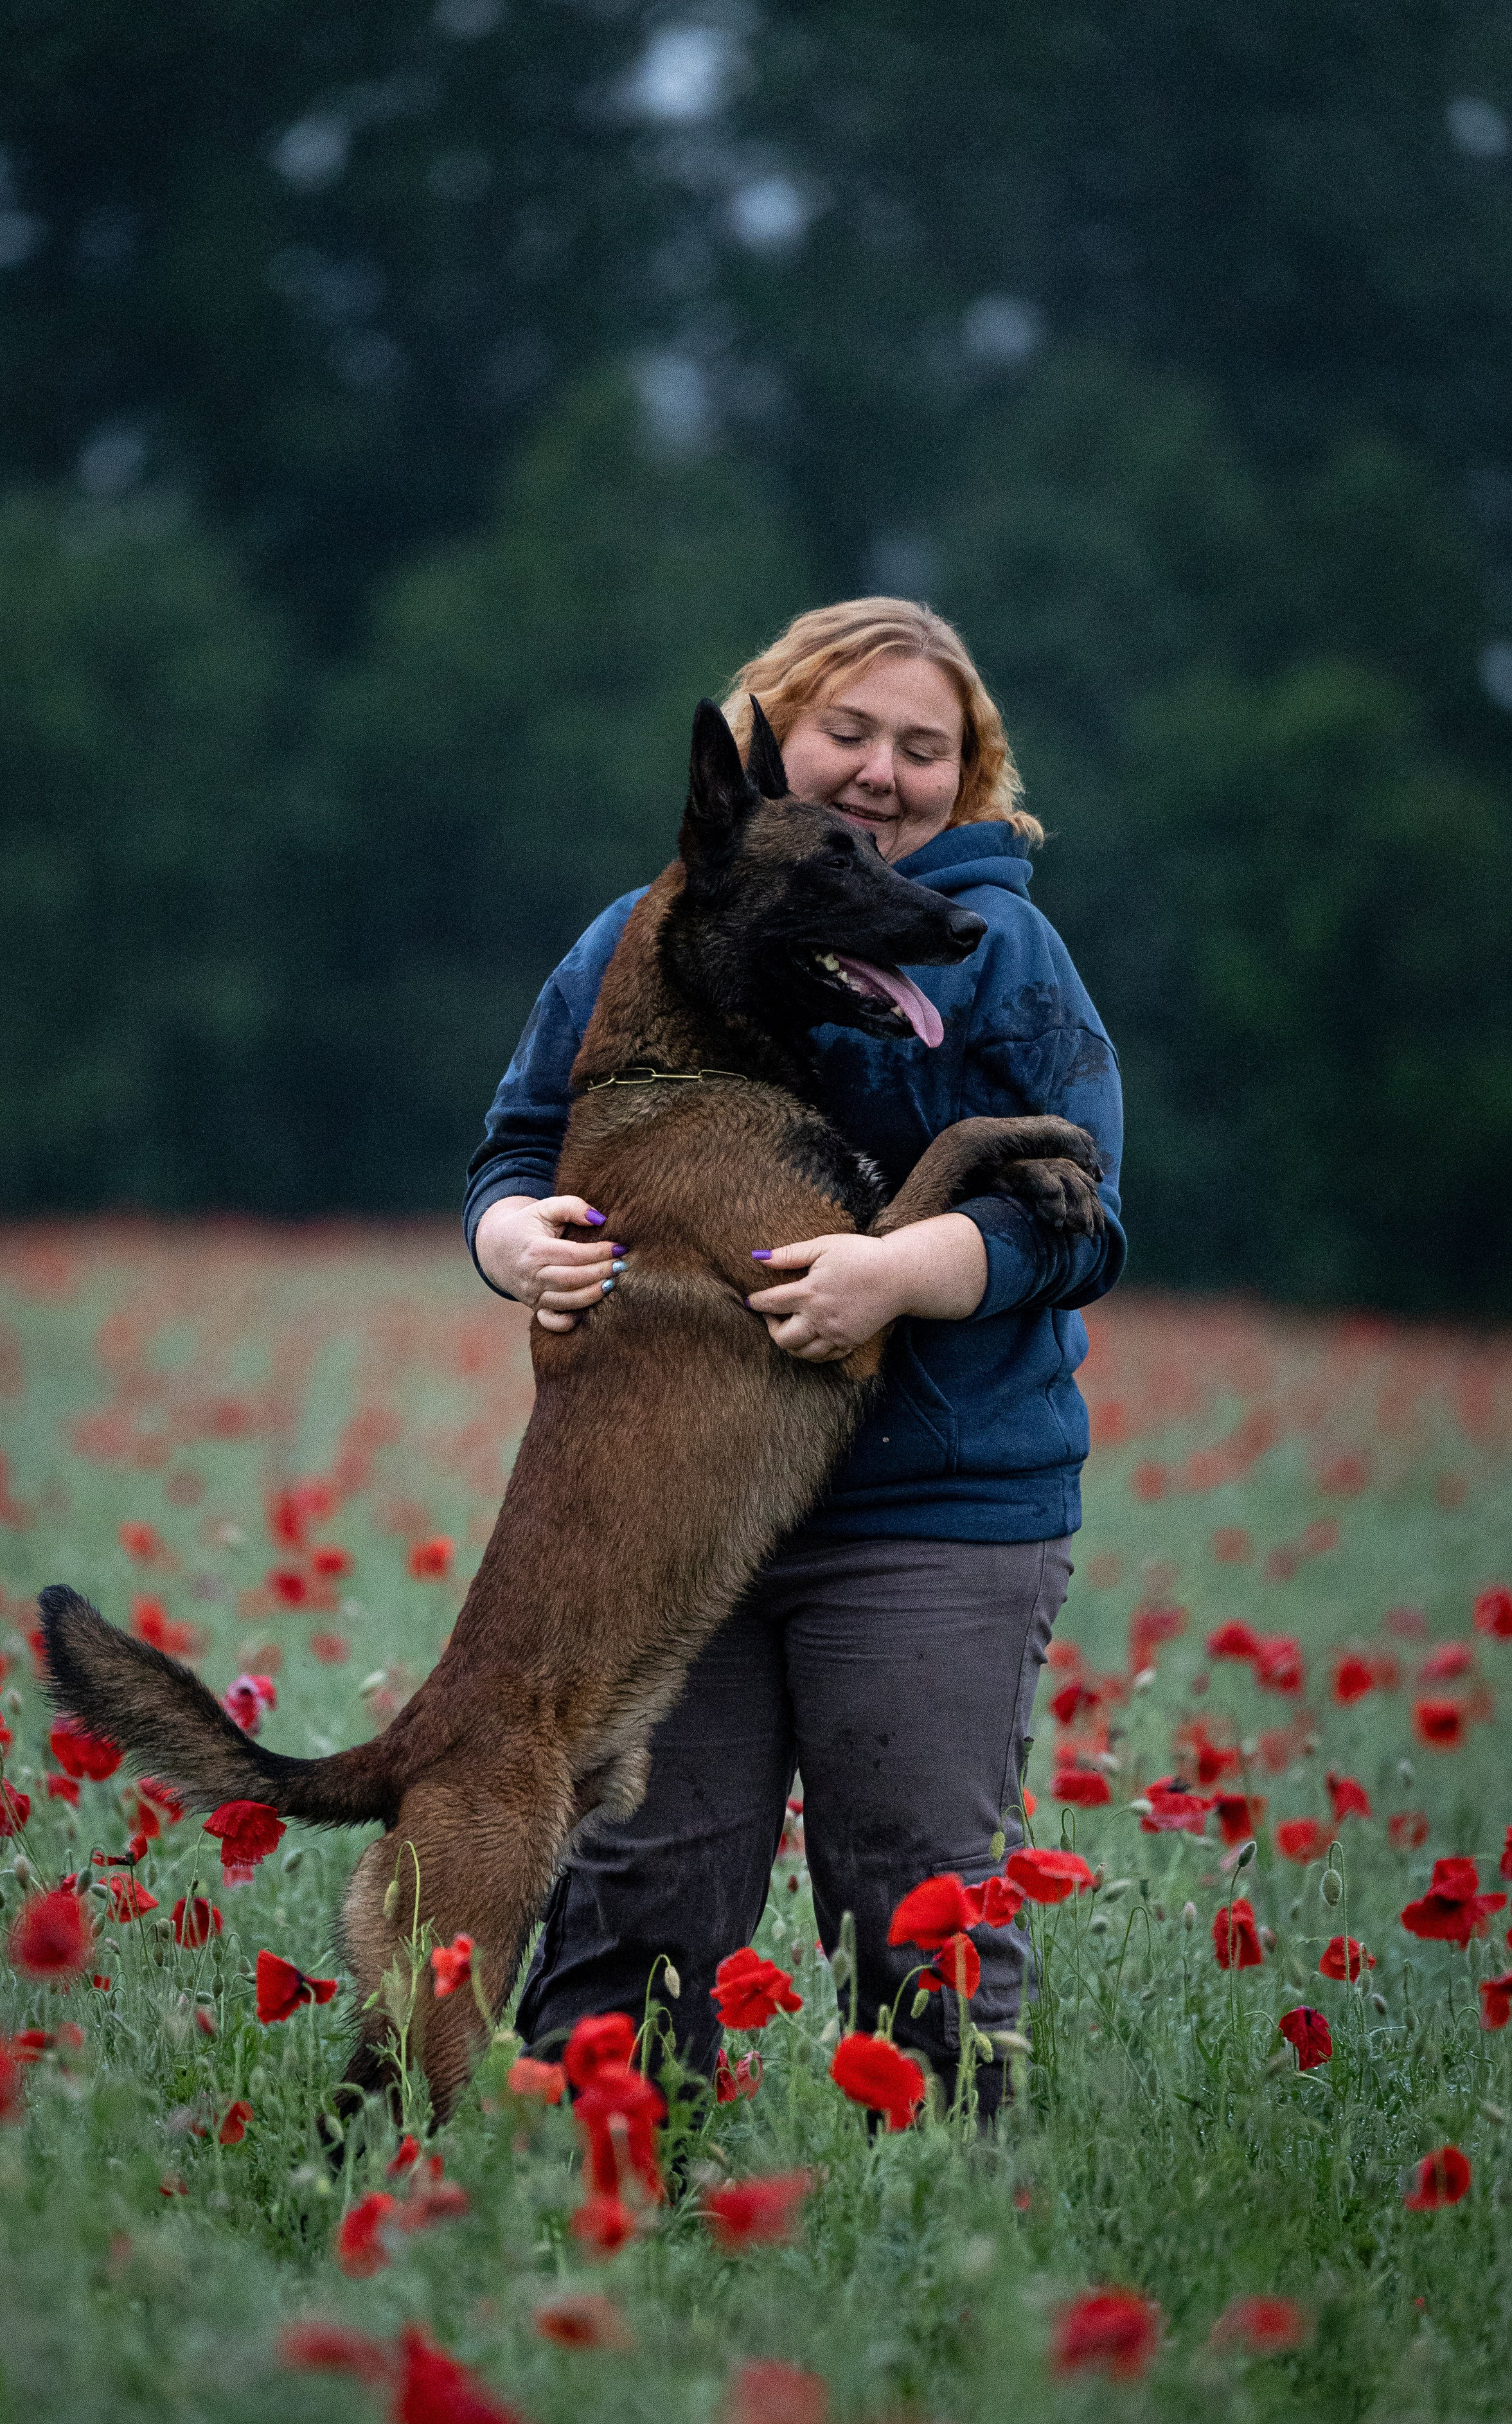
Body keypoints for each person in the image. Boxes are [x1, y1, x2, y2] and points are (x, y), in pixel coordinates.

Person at [463, 597, 1125, 2114]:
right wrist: (520, 1244)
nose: (881, 771)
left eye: (924, 748)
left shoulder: (1003, 951)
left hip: (932, 1513)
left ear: (967, 779)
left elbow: (1083, 1225)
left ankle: (957, 2249)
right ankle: (615, 2235)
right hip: (678, 1521)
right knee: (639, 1897)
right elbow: (514, 1149)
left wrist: (903, 1271)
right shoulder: (640, 935)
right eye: (848, 731)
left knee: (915, 1895)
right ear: (770, 734)